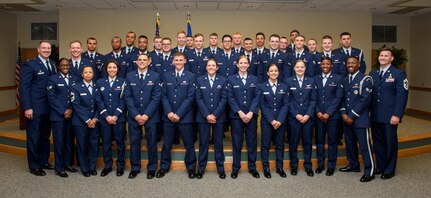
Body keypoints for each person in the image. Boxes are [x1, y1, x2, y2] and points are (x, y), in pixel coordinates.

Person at [369, 48, 408, 179]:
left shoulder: (398, 73)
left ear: (391, 58)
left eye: (386, 56)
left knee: (390, 143)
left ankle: (390, 169)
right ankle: (380, 166)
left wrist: (397, 114)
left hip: (390, 116)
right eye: (381, 55)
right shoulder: (373, 74)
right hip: (375, 115)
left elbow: (402, 95)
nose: (383, 57)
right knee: (378, 143)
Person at [157, 52, 197, 179]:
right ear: (173, 61)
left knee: (188, 143)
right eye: (176, 60)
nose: (178, 62)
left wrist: (178, 114)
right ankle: (164, 167)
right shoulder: (167, 75)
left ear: (185, 61)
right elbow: (163, 95)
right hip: (168, 116)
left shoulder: (191, 76)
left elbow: (190, 97)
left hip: (184, 116)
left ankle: (191, 168)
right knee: (167, 143)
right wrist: (169, 112)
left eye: (181, 60)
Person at [20, 41, 56, 176]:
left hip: (49, 108)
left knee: (45, 137)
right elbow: (24, 87)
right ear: (38, 49)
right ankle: (34, 165)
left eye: (48, 48)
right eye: (44, 48)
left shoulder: (52, 65)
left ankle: (43, 161)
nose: (46, 50)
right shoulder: (30, 64)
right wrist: (27, 107)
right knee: (34, 136)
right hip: (34, 108)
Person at [124, 54, 162, 179]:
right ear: (136, 62)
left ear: (149, 62)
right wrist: (135, 115)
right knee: (134, 142)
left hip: (151, 116)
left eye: (144, 60)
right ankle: (135, 167)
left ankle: (152, 168)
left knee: (151, 143)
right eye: (139, 60)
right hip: (134, 116)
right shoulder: (130, 76)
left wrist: (146, 115)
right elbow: (127, 97)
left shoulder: (155, 76)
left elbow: (156, 97)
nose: (142, 62)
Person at [339, 56, 375, 182]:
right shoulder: (344, 80)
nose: (350, 65)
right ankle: (353, 165)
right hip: (346, 118)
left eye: (353, 63)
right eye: (348, 63)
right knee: (350, 144)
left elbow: (365, 100)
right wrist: (343, 114)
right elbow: (342, 99)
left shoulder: (365, 79)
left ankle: (369, 171)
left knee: (365, 146)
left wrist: (352, 115)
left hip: (359, 118)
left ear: (358, 65)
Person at [227, 55, 260, 179]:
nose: (243, 65)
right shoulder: (231, 79)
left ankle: (252, 167)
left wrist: (251, 112)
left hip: (251, 116)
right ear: (237, 64)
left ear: (249, 65)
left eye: (245, 63)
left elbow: (257, 97)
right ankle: (236, 168)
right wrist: (240, 112)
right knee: (237, 142)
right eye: (241, 63)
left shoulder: (255, 79)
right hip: (237, 116)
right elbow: (230, 97)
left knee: (251, 142)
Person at [195, 58, 228, 179]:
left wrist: (214, 115)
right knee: (203, 143)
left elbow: (224, 99)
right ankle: (201, 168)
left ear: (217, 67)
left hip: (218, 117)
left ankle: (221, 168)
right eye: (209, 65)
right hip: (203, 117)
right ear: (206, 67)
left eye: (213, 65)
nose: (211, 67)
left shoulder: (223, 80)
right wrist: (207, 115)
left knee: (218, 143)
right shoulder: (199, 80)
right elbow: (198, 99)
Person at [285, 59, 316, 177]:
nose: (300, 69)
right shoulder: (288, 81)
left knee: (307, 142)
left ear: (305, 68)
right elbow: (287, 101)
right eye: (297, 67)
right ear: (294, 68)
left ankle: (308, 165)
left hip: (308, 118)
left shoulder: (311, 81)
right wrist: (296, 114)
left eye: (302, 67)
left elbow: (313, 100)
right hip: (294, 118)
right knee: (293, 142)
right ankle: (294, 165)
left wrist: (308, 115)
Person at [47, 58, 78, 178]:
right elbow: (51, 98)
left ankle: (67, 164)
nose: (65, 67)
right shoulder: (53, 79)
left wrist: (70, 109)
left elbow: (75, 96)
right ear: (58, 67)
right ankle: (59, 168)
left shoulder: (74, 79)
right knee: (59, 142)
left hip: (71, 115)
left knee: (69, 141)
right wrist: (63, 111)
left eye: (67, 65)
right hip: (58, 116)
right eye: (62, 65)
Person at [95, 60, 127, 177]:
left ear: (118, 69)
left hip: (119, 118)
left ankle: (120, 166)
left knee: (120, 143)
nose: (112, 69)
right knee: (106, 143)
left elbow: (124, 100)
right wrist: (106, 116)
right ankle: (107, 165)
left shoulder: (123, 82)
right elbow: (98, 100)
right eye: (110, 67)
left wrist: (116, 115)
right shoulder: (100, 82)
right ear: (106, 69)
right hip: (105, 119)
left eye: (114, 67)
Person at [314, 57, 343, 176]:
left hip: (333, 116)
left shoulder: (338, 78)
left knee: (332, 141)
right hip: (319, 115)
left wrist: (328, 113)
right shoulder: (315, 78)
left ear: (331, 65)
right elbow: (313, 97)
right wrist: (318, 112)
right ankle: (321, 164)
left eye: (328, 64)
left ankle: (331, 166)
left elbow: (338, 97)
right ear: (320, 65)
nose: (325, 66)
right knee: (319, 141)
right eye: (323, 64)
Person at [259, 64, 289, 179]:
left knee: (280, 145)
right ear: (267, 73)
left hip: (280, 122)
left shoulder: (284, 87)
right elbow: (262, 105)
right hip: (267, 121)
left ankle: (279, 167)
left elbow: (286, 104)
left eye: (275, 71)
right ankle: (266, 167)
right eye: (271, 71)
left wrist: (280, 120)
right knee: (265, 145)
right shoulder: (262, 86)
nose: (273, 72)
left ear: (278, 72)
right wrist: (272, 120)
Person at [71, 65, 100, 177]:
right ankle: (84, 167)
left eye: (90, 72)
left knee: (93, 144)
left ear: (93, 74)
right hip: (80, 122)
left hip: (95, 121)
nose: (88, 74)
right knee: (82, 145)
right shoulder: (76, 87)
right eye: (86, 72)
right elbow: (76, 105)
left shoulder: (97, 86)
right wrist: (87, 120)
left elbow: (101, 104)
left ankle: (92, 166)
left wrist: (95, 118)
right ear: (82, 74)